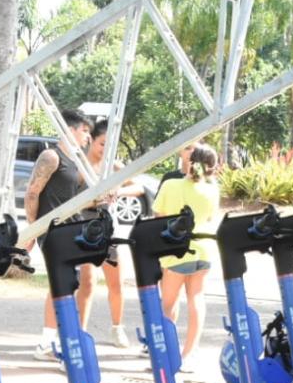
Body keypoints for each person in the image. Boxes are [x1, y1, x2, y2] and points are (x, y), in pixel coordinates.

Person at [26, 108, 93, 361]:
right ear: (70, 130)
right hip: (52, 232)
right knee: (62, 283)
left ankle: (53, 340)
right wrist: (32, 231)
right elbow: (32, 193)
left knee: (67, 284)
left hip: (72, 229)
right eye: (84, 131)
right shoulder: (50, 156)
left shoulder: (76, 159)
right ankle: (47, 344)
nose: (87, 137)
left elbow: (74, 201)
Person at [153, 143, 222, 367]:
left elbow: (159, 216)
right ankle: (188, 354)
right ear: (212, 167)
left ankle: (165, 352)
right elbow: (211, 218)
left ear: (190, 162)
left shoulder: (170, 185)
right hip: (203, 250)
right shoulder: (213, 190)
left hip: (174, 250)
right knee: (196, 298)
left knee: (168, 305)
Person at [84, 118, 137, 348]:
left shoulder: (113, 166)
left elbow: (139, 187)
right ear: (92, 141)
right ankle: (80, 331)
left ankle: (117, 328)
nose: (105, 149)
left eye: (110, 145)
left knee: (116, 282)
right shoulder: (81, 164)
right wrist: (94, 199)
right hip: (84, 229)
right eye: (102, 143)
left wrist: (119, 188)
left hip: (109, 230)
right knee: (86, 282)